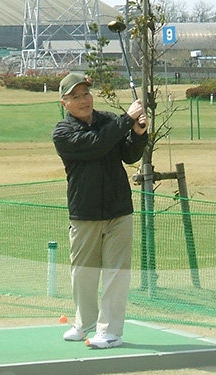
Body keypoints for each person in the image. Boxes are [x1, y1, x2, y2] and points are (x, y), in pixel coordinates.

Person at [52, 73, 147, 349]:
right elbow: (95, 144)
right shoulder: (63, 133)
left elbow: (128, 154)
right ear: (64, 103)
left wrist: (138, 134)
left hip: (119, 209)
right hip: (85, 212)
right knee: (83, 273)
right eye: (75, 97)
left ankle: (110, 330)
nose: (83, 100)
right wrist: (127, 120)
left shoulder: (108, 121)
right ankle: (86, 323)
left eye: (85, 94)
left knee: (116, 272)